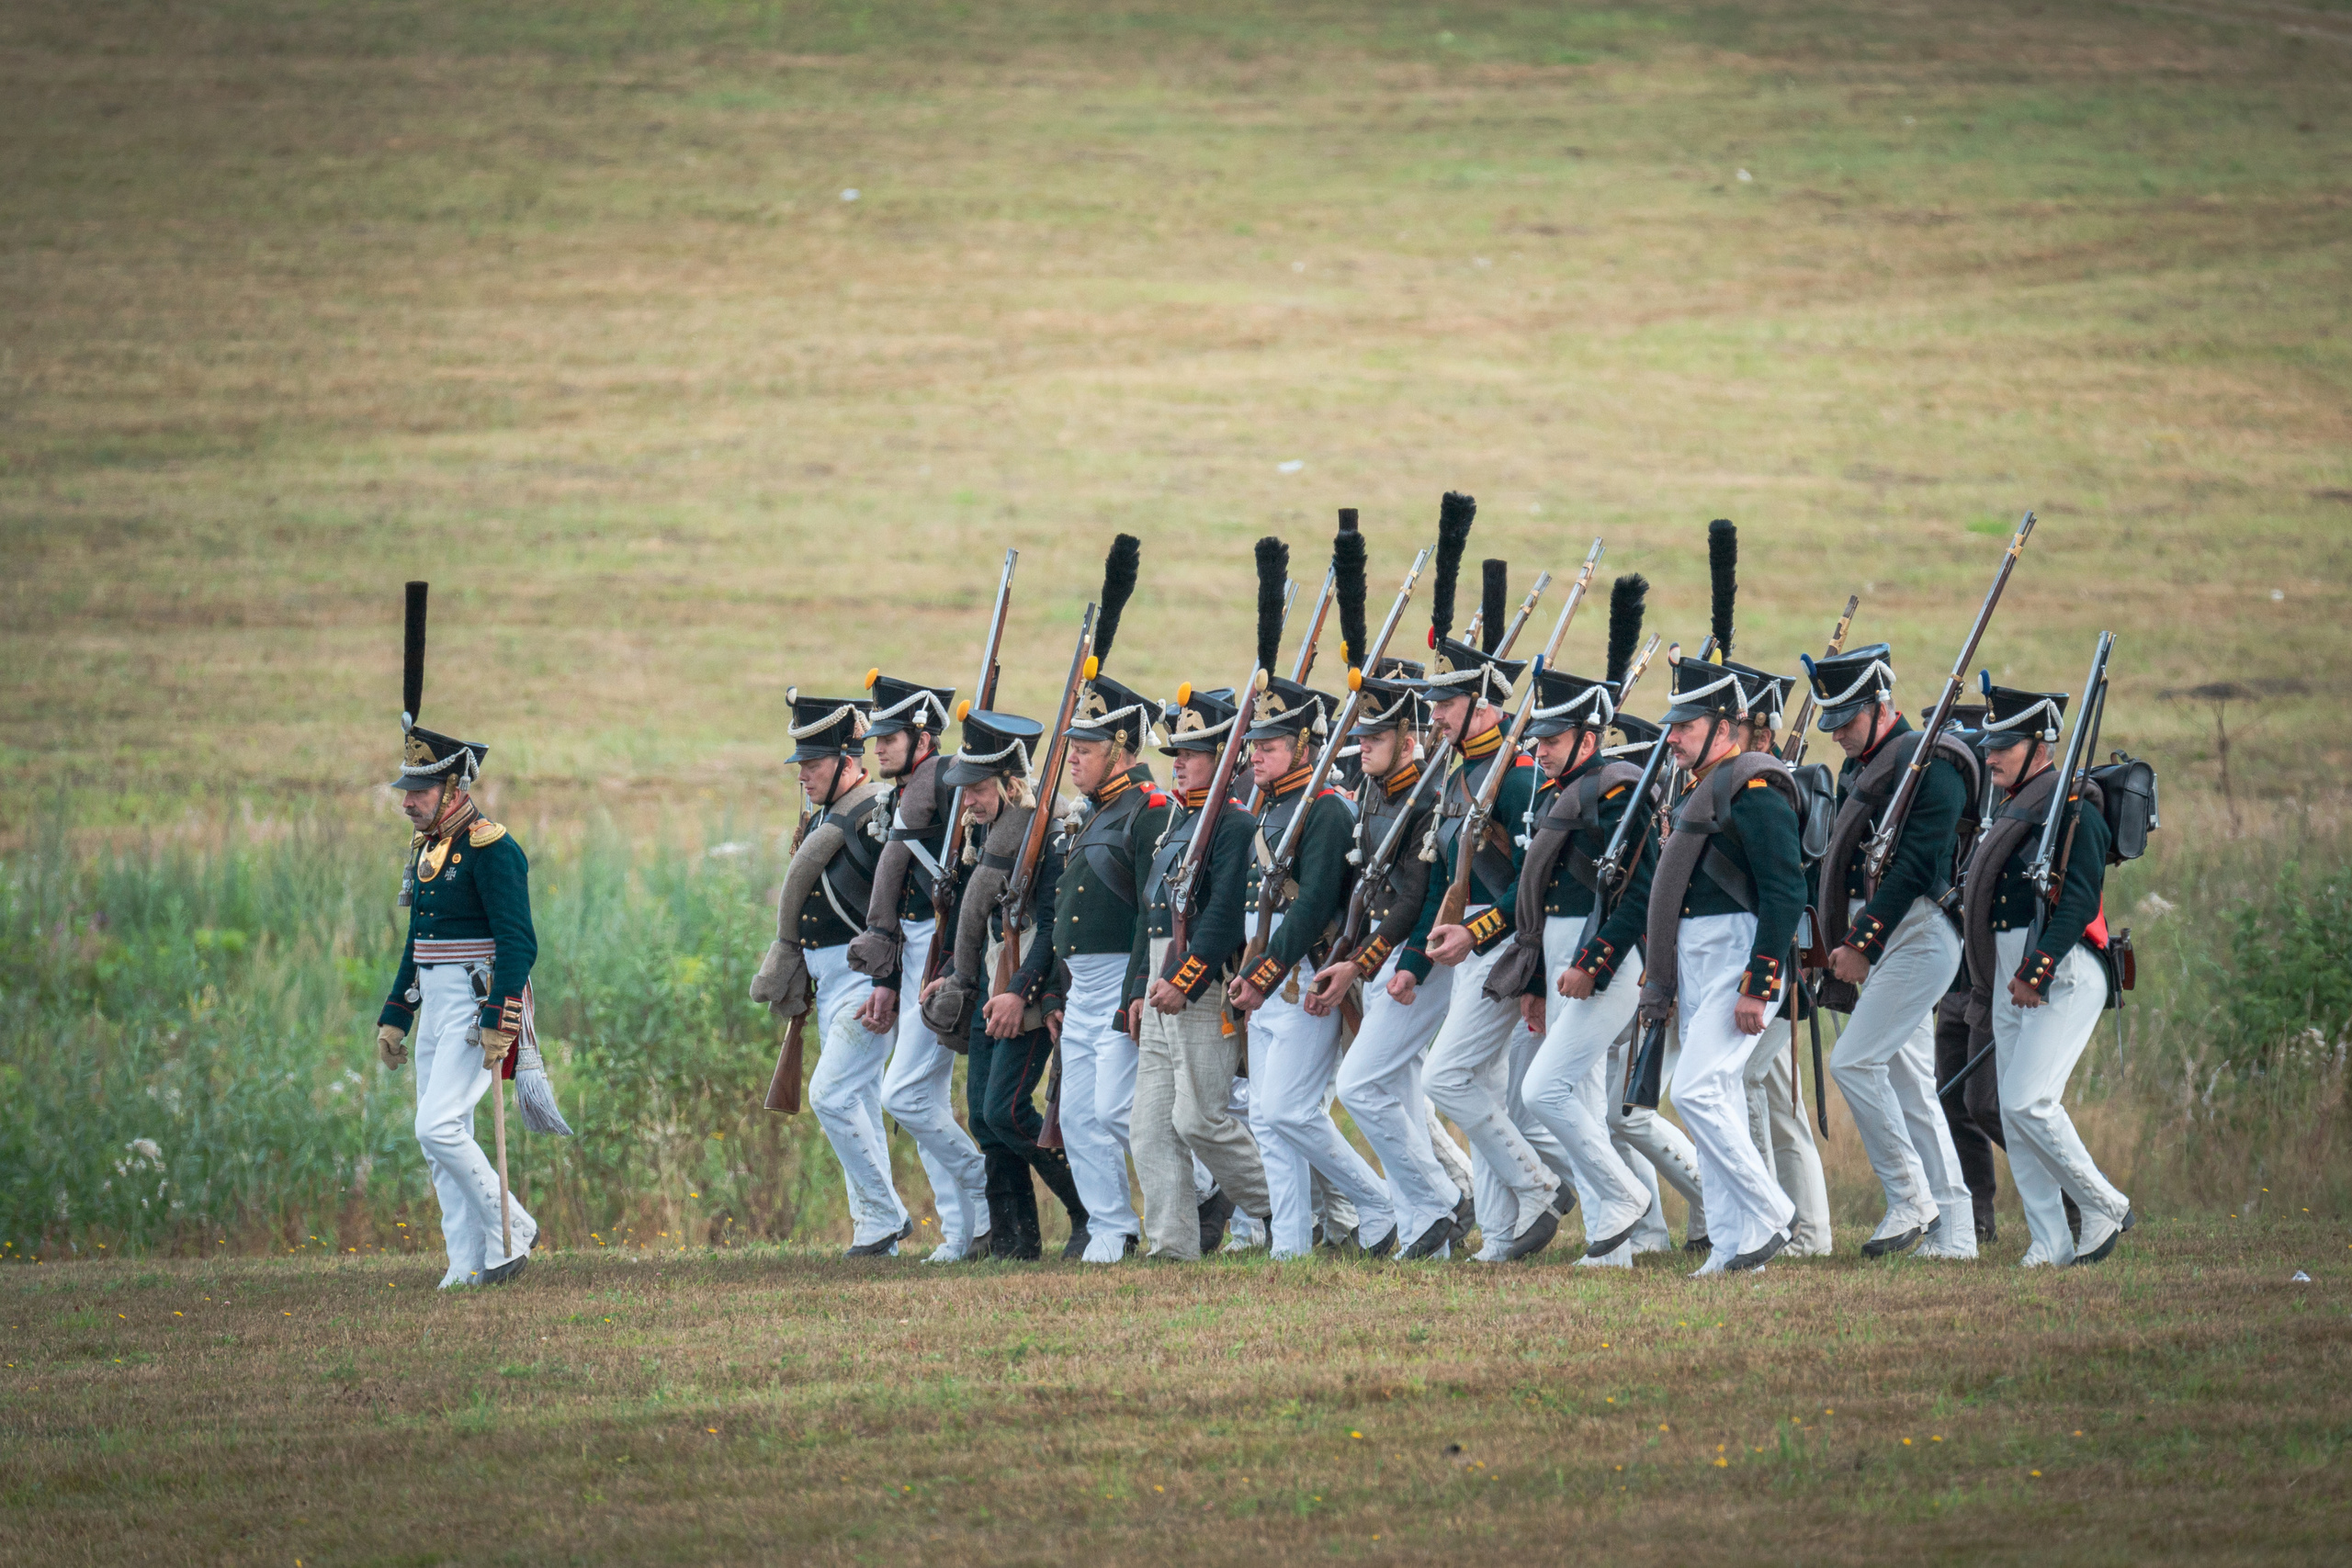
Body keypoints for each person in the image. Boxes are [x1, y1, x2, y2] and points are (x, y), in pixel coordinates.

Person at [374, 581, 539, 1288]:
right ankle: (464, 1262)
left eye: (419, 790)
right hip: (436, 1001)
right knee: (441, 1136)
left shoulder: (492, 847)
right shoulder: (426, 849)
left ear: (455, 788)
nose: (407, 801)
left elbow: (519, 941)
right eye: (407, 790)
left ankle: (514, 1227)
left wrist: (502, 1013)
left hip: (476, 1003)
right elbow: (419, 943)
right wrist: (396, 1011)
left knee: (436, 1127)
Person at [1495, 585, 1664, 1269]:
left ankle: (1624, 1197)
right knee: (1581, 1097)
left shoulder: (1618, 791)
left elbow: (1642, 891)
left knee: (1544, 1091)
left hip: (1609, 960)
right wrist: (1539, 980)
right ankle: (1610, 1244)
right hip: (1565, 955)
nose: (1540, 751)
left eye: (1554, 740)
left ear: (1588, 739)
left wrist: (1593, 961)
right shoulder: (1561, 790)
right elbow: (1540, 903)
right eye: (1538, 740)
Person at [1800, 643, 1980, 1260]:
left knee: (1852, 1062)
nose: (1838, 733)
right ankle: (1956, 1232)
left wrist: (1860, 942)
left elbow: (1917, 867)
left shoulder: (1933, 764)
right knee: (1911, 1088)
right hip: (1885, 939)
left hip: (1918, 934)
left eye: (1848, 719)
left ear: (1883, 705)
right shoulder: (1864, 769)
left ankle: (1910, 1198)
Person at [1640, 652, 1806, 1275]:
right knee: (1721, 1099)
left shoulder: (1754, 788)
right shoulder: (1701, 788)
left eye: (1686, 726)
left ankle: (1773, 1212)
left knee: (1696, 1089)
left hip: (1740, 960)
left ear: (1724, 727)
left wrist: (1759, 984)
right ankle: (1734, 1247)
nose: (1673, 738)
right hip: (1702, 961)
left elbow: (1786, 892)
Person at [1418, 581, 1567, 1263]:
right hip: (1472, 940)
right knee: (1478, 1085)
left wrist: (1481, 937)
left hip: (1505, 943)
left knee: (1444, 1078)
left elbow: (1533, 883)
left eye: (1446, 704)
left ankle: (1539, 1186)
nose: (1435, 716)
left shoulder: (1516, 773)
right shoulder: (1463, 772)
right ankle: (1502, 1235)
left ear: (1482, 705)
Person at [1962, 677, 2134, 1267]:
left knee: (2029, 1101)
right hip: (2012, 971)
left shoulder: (2076, 808)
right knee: (2014, 1112)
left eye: (2003, 746)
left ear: (2040, 747)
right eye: (1989, 745)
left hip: (2062, 968)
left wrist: (2036, 970)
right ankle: (2049, 1239)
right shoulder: (2013, 810)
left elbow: (2080, 900)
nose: (1990, 756)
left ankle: (2104, 1204)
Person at [1227, 677, 1398, 1259]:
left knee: (1288, 1111)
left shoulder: (1324, 808)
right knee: (1265, 1116)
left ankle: (1378, 1203)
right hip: (1272, 977)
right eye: (1254, 745)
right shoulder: (1276, 807)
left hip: (1304, 976)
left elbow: (1315, 903)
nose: (1255, 755)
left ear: (1304, 746)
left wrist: (1262, 974)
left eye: (1269, 746)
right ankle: (1291, 1243)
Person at [919, 709, 1091, 1260]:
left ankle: (1089, 1211)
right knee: (985, 1119)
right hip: (992, 982)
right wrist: (951, 973)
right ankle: (1015, 1241)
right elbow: (974, 915)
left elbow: (1054, 925)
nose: (966, 800)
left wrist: (1021, 991)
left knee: (1009, 1112)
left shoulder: (1048, 834)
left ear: (1010, 783)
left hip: (1028, 990)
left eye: (978, 788)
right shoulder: (989, 833)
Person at [750, 688, 912, 1256]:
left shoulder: (873, 816)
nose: (803, 775)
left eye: (814, 764)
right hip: (830, 980)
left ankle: (888, 1215)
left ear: (848, 760)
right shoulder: (827, 816)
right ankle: (875, 1233)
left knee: (831, 1096)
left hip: (867, 981)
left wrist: (887, 983)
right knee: (858, 1101)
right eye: (801, 764)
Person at [1316, 663, 1469, 1260]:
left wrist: (1366, 962)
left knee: (1358, 1085)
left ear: (1408, 742)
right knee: (1399, 1096)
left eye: (1375, 738)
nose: (1362, 747)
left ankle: (1441, 1198)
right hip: (1382, 954)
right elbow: (1366, 888)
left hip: (1415, 955)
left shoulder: (1426, 798)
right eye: (1361, 737)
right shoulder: (1375, 791)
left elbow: (1414, 898)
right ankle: (1424, 1234)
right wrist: (1353, 954)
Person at [846, 671, 990, 1262]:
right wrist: (885, 978)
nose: (877, 749)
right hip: (911, 952)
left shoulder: (950, 786)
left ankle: (983, 1185)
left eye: (889, 739)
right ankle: (962, 1232)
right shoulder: (906, 793)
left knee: (903, 1095)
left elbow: (971, 873)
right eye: (876, 739)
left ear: (923, 738)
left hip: (943, 951)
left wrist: (952, 963)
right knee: (923, 1103)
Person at [1125, 685, 1273, 1259]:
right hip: (1164, 980)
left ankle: (1287, 1208)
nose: (1179, 763)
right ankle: (1172, 1245)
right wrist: (1141, 989)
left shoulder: (1233, 824)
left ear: (1222, 760)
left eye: (1192, 754)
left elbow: (1224, 917)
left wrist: (1184, 981)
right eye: (1177, 754)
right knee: (1149, 1125)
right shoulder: (1178, 821)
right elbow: (1153, 915)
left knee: (1199, 1120)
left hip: (1201, 986)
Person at [1052, 663, 1172, 1262]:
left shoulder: (1149, 810)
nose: (1073, 757)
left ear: (1121, 750)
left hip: (1123, 975)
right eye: (1073, 745)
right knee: (1077, 1115)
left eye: (1087, 747)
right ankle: (1111, 1226)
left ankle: (1203, 1188)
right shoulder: (1094, 810)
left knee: (1116, 1109)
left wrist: (1138, 985)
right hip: (1082, 986)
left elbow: (1154, 908)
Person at [1722, 664, 1834, 1258]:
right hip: (1761, 962)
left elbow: (1787, 889)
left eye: (1734, 727)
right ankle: (1807, 1230)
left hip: (1774, 965)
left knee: (1746, 1082)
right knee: (1780, 1099)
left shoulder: (1768, 791)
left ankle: (1775, 1222)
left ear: (1761, 734)